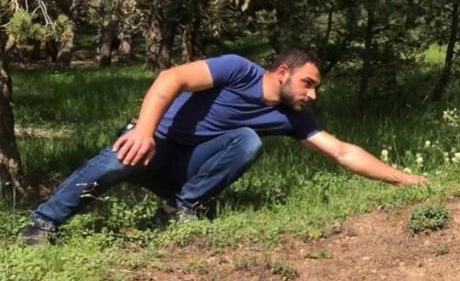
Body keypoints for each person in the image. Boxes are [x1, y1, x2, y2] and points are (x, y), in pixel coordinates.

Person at [18, 47, 426, 245]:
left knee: (247, 140)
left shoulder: (293, 117)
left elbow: (341, 151)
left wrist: (403, 178)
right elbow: (170, 78)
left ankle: (177, 211)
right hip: (155, 144)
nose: (313, 95)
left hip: (185, 170)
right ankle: (41, 225)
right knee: (115, 161)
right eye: (308, 83)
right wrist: (143, 129)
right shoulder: (237, 70)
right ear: (283, 72)